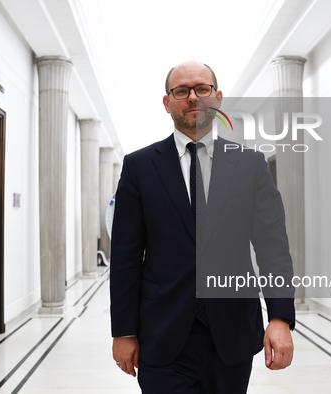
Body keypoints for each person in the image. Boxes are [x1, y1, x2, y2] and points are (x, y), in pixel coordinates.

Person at [110, 61, 295, 393]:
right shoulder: (139, 167)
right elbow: (125, 256)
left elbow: (272, 246)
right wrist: (123, 331)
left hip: (232, 331)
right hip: (162, 332)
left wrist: (280, 317)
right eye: (181, 91)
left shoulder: (250, 164)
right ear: (167, 103)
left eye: (202, 89)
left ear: (218, 97)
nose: (192, 97)